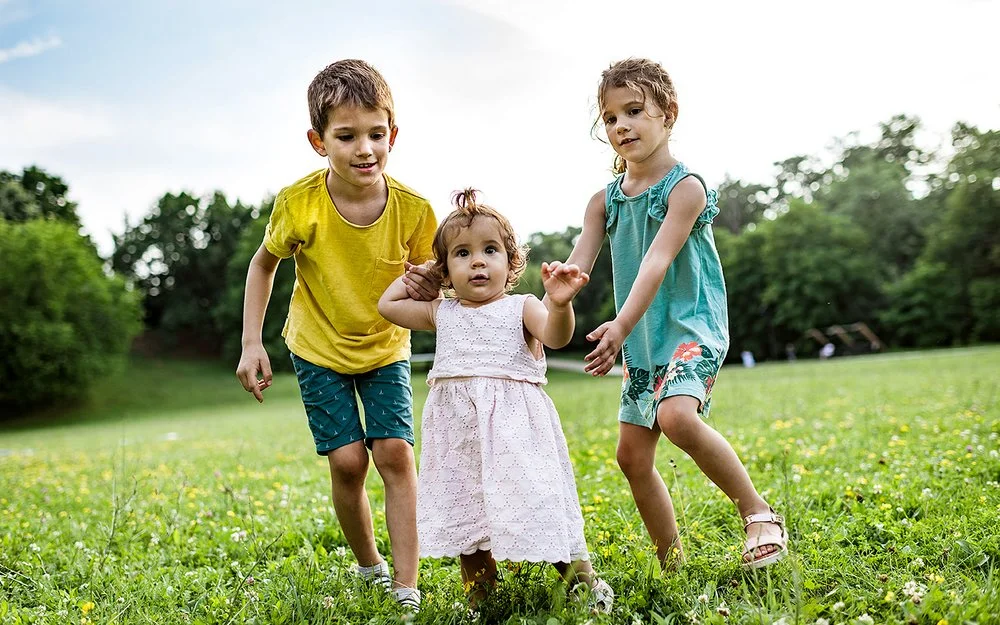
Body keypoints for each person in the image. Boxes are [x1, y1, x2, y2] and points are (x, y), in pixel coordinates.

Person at [555, 58, 788, 570]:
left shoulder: (685, 189)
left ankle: (759, 515)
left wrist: (619, 325)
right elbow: (579, 263)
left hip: (689, 327)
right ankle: (672, 563)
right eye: (611, 117)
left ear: (668, 113)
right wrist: (558, 288)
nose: (622, 126)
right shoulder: (603, 201)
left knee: (677, 416)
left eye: (635, 111)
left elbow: (656, 262)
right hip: (641, 341)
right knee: (631, 458)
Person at [235, 59, 438, 611]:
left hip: (385, 345)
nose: (364, 148)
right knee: (348, 462)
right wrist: (253, 343)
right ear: (318, 142)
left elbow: (434, 288)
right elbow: (262, 266)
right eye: (346, 136)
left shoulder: (417, 211)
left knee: (394, 452)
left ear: (392, 133)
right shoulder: (299, 203)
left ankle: (406, 585)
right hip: (317, 346)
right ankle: (370, 565)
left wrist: (427, 290)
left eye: (376, 134)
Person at [378, 189, 614, 612]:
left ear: (511, 262)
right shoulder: (441, 312)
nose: (478, 261)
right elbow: (388, 304)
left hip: (517, 435)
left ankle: (584, 584)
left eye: (490, 250)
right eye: (461, 254)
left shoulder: (522, 308)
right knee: (468, 514)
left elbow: (556, 336)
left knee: (538, 503)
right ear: (446, 269)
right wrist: (426, 276)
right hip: (459, 439)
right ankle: (482, 601)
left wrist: (559, 304)